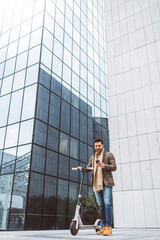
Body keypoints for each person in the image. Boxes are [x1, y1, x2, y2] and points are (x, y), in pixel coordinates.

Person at [78, 139, 117, 236]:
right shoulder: (92, 157)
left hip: (106, 182)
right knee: (101, 205)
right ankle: (104, 226)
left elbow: (114, 167)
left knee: (107, 204)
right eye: (96, 146)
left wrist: (104, 166)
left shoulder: (109, 155)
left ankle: (108, 227)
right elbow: (89, 167)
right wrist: (83, 168)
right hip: (96, 183)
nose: (97, 147)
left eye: (99, 145)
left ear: (102, 145)